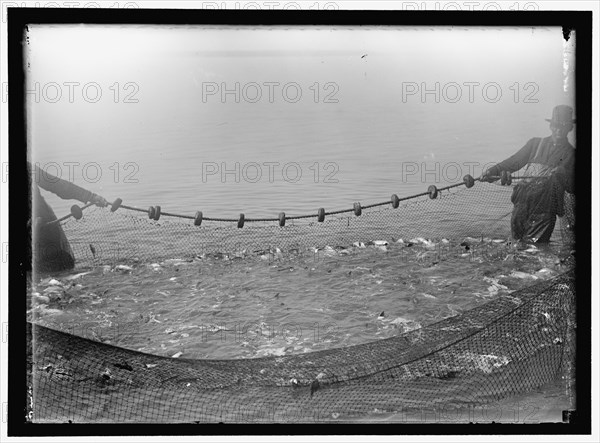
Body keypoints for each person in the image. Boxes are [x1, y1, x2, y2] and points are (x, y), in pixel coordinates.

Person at [480, 105, 575, 244]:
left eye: (563, 126)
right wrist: (492, 171)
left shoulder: (571, 154)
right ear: (551, 126)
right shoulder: (535, 144)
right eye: (555, 125)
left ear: (569, 128)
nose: (558, 129)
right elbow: (512, 163)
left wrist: (564, 174)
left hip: (545, 212)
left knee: (535, 249)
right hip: (522, 205)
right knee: (516, 244)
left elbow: (573, 188)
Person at [29, 161, 108, 273]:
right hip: (36, 232)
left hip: (47, 229)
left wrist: (90, 196)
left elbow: (57, 185)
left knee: (63, 269)